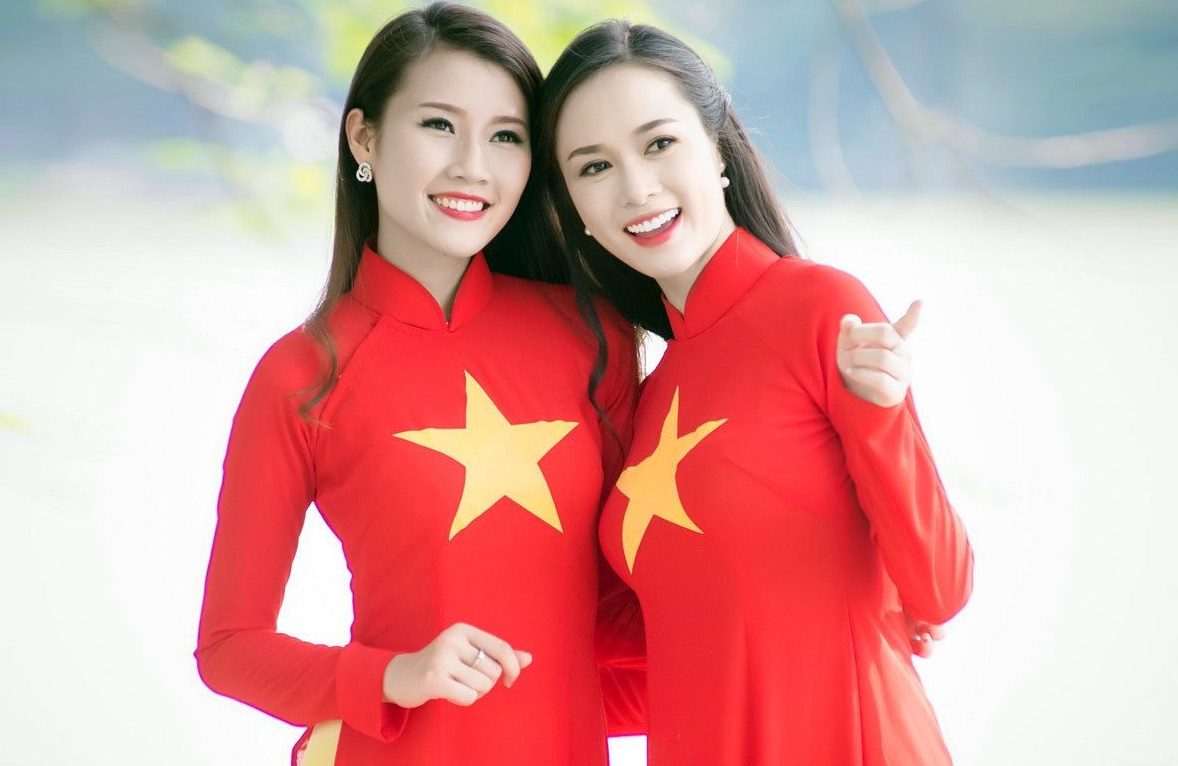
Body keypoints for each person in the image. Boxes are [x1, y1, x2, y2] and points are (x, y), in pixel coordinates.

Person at [194, 5, 647, 765]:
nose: (474, 164)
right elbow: (229, 648)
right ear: (364, 137)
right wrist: (394, 675)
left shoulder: (592, 335)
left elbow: (637, 599)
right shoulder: (302, 374)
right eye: (439, 125)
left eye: (506, 136)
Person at [537, 19, 974, 766]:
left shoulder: (818, 307)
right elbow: (678, 663)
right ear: (572, 204)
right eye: (594, 166)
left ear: (717, 149)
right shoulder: (649, 393)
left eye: (659, 144)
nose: (637, 187)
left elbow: (940, 589)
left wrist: (882, 417)